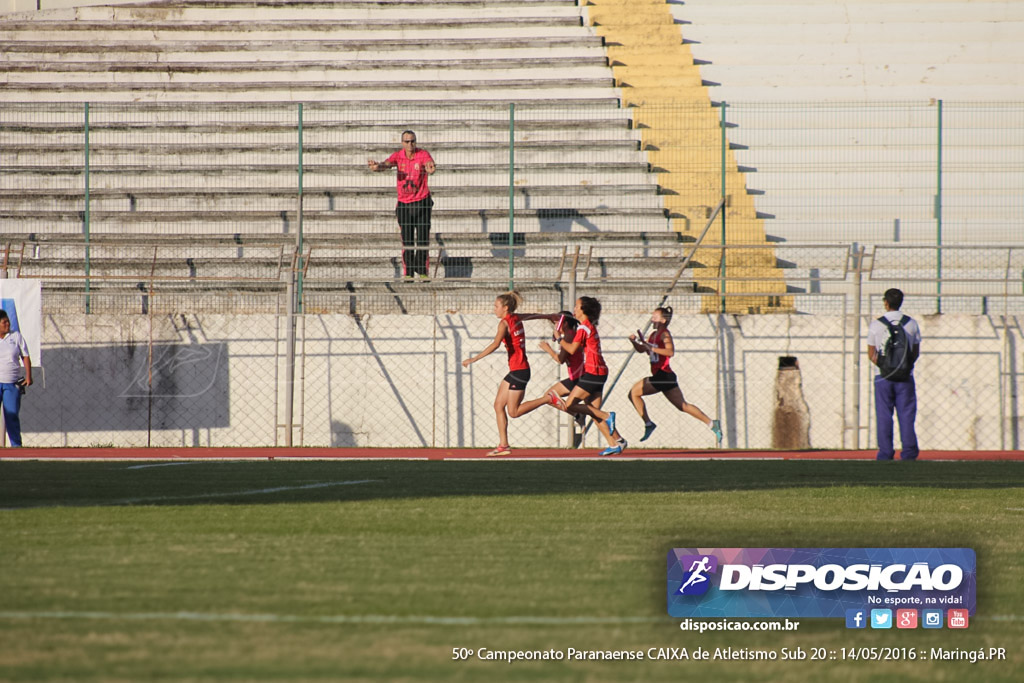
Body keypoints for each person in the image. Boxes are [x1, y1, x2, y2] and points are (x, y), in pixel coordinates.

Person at [461, 292, 549, 457]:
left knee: (513, 412)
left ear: (505, 308)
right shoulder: (516, 318)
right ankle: (503, 445)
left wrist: (474, 359)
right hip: (516, 370)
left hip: (520, 371)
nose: (494, 309)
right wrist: (550, 316)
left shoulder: (504, 324)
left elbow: (495, 344)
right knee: (498, 406)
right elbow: (531, 315)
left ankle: (548, 398)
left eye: (496, 306)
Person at [628, 306, 722, 446]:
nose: (652, 319)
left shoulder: (665, 334)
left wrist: (651, 348)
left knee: (633, 394)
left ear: (663, 320)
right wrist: (635, 342)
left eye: (655, 317)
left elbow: (670, 352)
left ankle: (648, 423)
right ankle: (711, 423)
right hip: (666, 376)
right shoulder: (653, 334)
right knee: (683, 405)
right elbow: (643, 350)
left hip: (663, 374)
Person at [556, 297, 627, 456]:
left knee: (570, 405)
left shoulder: (584, 327)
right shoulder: (588, 327)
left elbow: (573, 349)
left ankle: (607, 416)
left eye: (576, 306)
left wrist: (560, 338)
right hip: (600, 372)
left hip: (593, 372)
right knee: (593, 412)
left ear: (583, 309)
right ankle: (616, 442)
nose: (574, 308)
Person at [368, 130, 436, 281]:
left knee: (423, 238)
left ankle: (423, 271)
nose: (410, 144)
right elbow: (386, 164)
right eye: (406, 141)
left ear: (415, 141)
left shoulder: (423, 154)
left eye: (412, 141)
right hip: (404, 204)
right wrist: (377, 166)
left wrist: (430, 167)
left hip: (422, 201)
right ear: (402, 143)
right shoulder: (398, 156)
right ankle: (409, 272)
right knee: (407, 239)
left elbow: (429, 163)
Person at [867, 288, 921, 460]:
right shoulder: (911, 324)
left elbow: (872, 354)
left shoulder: (876, 324)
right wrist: (903, 367)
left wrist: (886, 366)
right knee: (906, 415)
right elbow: (915, 352)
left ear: (886, 302)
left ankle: (885, 452)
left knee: (884, 415)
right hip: (905, 377)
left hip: (882, 377)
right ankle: (909, 452)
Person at [515, 312, 593, 428]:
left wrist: (548, 349)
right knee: (550, 396)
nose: (555, 325)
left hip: (580, 377)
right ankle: (578, 414)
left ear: (565, 323)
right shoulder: (567, 335)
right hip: (575, 377)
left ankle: (581, 414)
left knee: (592, 410)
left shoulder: (569, 335)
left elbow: (560, 359)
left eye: (557, 322)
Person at [0, 309, 32, 448]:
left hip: (12, 383)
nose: (7, 324)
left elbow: (25, 356)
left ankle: (16, 447)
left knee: (11, 415)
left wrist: (28, 376)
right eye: (4, 322)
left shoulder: (16, 336)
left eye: (8, 321)